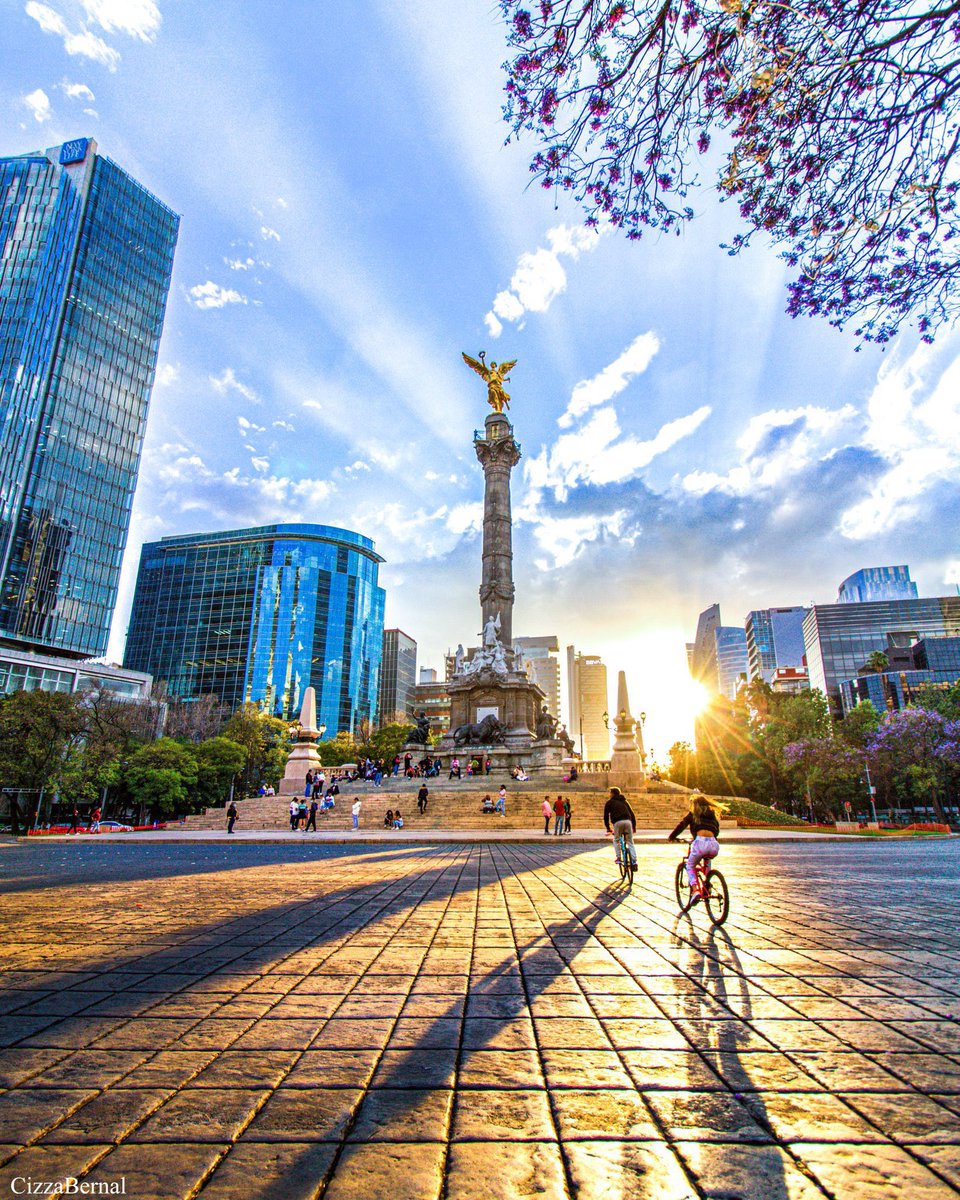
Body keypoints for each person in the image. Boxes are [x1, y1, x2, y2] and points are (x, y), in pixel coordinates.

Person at [668, 793, 726, 904]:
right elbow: (716, 830)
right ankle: (707, 884)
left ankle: (695, 890)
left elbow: (682, 825)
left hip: (699, 843)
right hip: (714, 844)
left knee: (690, 865)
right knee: (707, 860)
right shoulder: (712, 814)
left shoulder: (693, 814)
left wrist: (672, 836)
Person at [603, 786, 637, 870]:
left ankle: (618, 857)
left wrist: (608, 828)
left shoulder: (609, 802)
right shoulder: (625, 801)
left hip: (618, 822)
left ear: (613, 794)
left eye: (610, 792)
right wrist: (634, 826)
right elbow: (632, 814)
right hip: (628, 821)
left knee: (616, 839)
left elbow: (606, 816)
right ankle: (634, 861)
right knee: (630, 841)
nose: (609, 794)